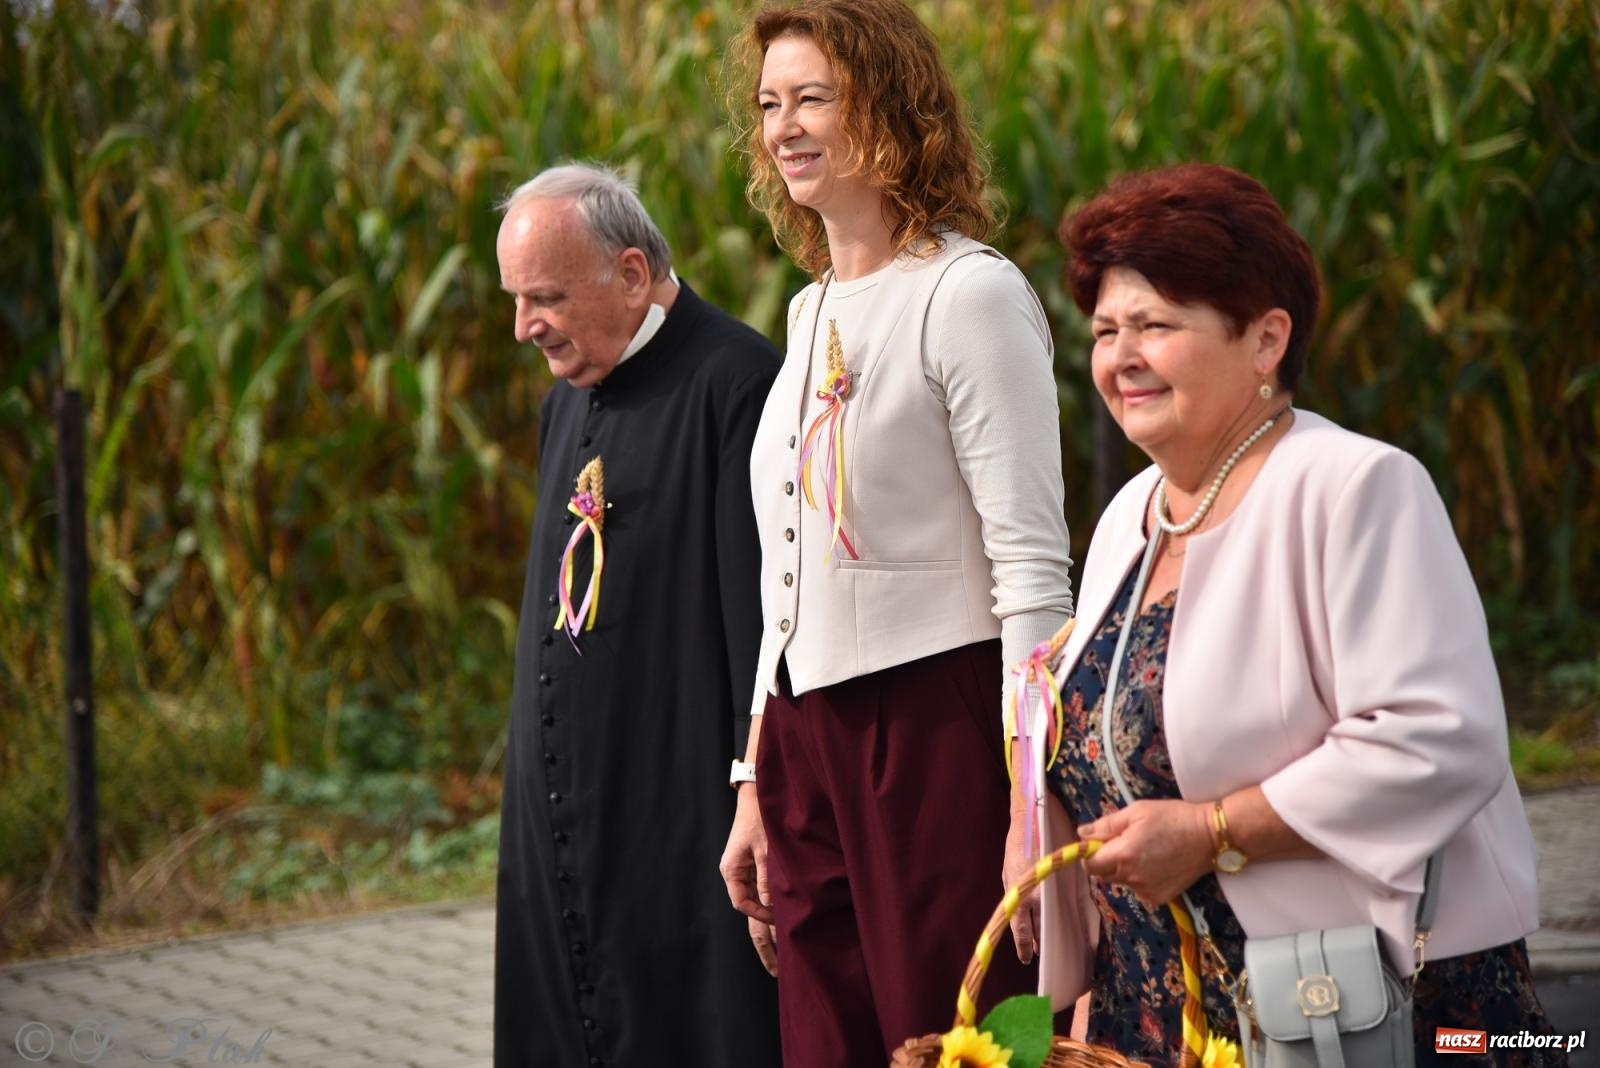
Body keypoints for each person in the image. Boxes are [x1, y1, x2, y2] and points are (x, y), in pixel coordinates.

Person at [1013, 162, 1563, 1065]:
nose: (1120, 357)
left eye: (1155, 324)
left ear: (1267, 338)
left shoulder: (1357, 488)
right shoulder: (1131, 515)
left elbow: (1437, 737)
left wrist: (1211, 833)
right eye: (1107, 329)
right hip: (1161, 1010)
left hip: (1354, 1005)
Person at [717, 3, 1076, 1063]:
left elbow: (1031, 568)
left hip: (933, 730)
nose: (783, 126)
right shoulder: (807, 309)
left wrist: (1029, 790)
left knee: (952, 1036)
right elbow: (788, 573)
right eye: (769, 103)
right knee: (827, 1043)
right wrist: (754, 777)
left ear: (886, 106)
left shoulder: (968, 295)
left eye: (812, 98)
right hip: (804, 738)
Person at [492, 163, 782, 1068]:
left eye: (545, 297)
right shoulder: (562, 400)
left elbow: (760, 627)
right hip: (561, 823)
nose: (523, 326)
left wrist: (755, 782)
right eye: (515, 299)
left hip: (681, 816)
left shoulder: (737, 386)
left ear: (627, 273)